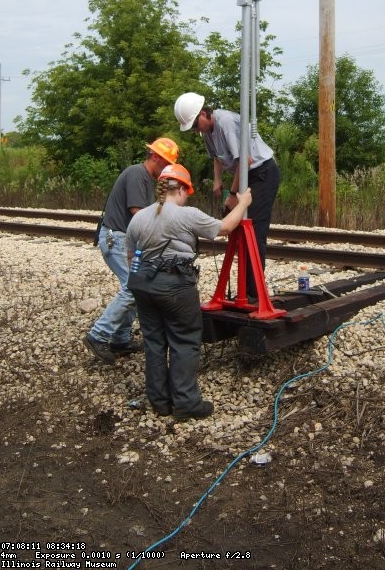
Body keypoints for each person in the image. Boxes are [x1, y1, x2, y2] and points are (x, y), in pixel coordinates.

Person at [126, 163, 252, 420]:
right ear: (181, 189)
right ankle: (186, 403)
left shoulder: (139, 217)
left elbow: (130, 256)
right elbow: (225, 227)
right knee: (184, 340)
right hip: (175, 286)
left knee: (154, 341)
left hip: (142, 285)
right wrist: (242, 203)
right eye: (187, 191)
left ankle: (159, 401)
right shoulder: (186, 214)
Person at [82, 137, 179, 365]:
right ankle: (98, 335)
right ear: (155, 157)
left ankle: (120, 339)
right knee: (131, 287)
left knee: (136, 287)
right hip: (117, 238)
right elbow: (138, 213)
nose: (167, 169)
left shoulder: (145, 178)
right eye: (166, 163)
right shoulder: (138, 174)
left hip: (123, 239)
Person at [173, 92, 279, 298]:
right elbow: (216, 157)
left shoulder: (226, 122)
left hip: (262, 173)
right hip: (246, 175)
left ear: (204, 114)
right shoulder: (208, 131)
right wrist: (218, 181)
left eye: (195, 125)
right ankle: (245, 291)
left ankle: (254, 293)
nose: (195, 130)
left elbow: (244, 161)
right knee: (240, 228)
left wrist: (231, 195)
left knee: (253, 231)